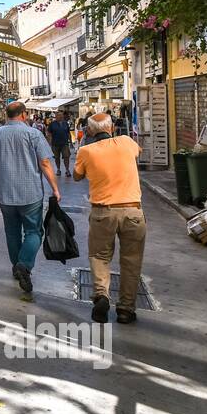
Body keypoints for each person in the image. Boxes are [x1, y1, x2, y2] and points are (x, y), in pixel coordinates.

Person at [0, 101, 60, 296]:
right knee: (34, 232)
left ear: (7, 115)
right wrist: (55, 188)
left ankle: (17, 267)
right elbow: (45, 163)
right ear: (23, 115)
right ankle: (24, 265)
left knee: (12, 232)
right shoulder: (33, 134)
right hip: (30, 193)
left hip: (6, 194)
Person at [73, 112, 146, 324]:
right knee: (131, 260)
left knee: (100, 257)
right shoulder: (126, 141)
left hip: (102, 212)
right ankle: (125, 309)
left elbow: (77, 176)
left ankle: (102, 295)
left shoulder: (86, 151)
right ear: (112, 128)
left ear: (88, 131)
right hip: (132, 211)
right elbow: (136, 153)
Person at [45, 110, 73, 177]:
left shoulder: (65, 123)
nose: (60, 116)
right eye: (59, 115)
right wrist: (49, 143)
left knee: (66, 157)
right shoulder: (52, 124)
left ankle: (67, 170)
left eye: (61, 115)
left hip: (65, 143)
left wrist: (71, 142)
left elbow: (68, 133)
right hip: (55, 143)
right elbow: (49, 134)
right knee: (57, 157)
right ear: (56, 116)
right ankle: (58, 169)